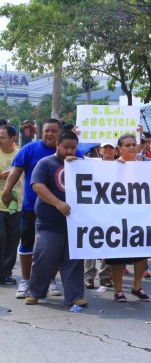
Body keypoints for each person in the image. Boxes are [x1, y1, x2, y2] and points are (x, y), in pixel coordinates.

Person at [2, 119, 83, 299]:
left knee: (54, 249)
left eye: (54, 131)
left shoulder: (75, 153)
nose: (49, 134)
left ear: (60, 133)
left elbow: (89, 173)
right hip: (32, 207)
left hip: (68, 210)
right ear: (42, 132)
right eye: (46, 130)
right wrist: (7, 191)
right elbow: (16, 171)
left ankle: (50, 281)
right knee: (29, 245)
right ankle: (26, 280)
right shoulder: (29, 149)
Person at [24, 130, 87, 307]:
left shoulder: (80, 164)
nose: (69, 151)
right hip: (49, 221)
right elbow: (38, 186)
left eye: (73, 148)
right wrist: (58, 203)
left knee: (74, 260)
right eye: (66, 147)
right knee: (44, 256)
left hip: (74, 222)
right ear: (57, 145)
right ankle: (35, 292)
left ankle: (74, 296)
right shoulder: (45, 163)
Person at [106, 134, 150, 302]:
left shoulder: (144, 167)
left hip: (140, 215)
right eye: (127, 145)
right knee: (118, 254)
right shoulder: (111, 167)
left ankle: (137, 287)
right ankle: (118, 290)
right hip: (118, 216)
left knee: (142, 252)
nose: (131, 147)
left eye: (134, 144)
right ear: (119, 148)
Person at [83, 142, 115, 289]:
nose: (108, 150)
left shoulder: (122, 166)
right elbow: (76, 158)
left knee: (110, 242)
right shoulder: (90, 163)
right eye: (105, 147)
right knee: (91, 242)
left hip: (112, 210)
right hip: (93, 210)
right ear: (100, 150)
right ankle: (89, 276)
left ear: (116, 151)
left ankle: (105, 275)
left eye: (111, 147)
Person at [0, 125, 23, 286]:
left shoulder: (21, 155)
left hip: (17, 206)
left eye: (2, 137)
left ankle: (5, 273)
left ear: (12, 138)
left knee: (12, 241)